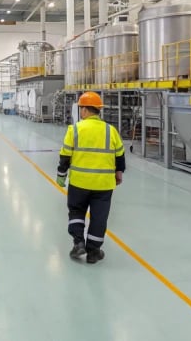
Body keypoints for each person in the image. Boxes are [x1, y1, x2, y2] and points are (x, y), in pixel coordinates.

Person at [56, 92, 126, 264]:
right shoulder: (111, 131)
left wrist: (61, 176)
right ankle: (94, 251)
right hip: (103, 185)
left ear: (86, 110)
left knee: (77, 211)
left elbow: (65, 155)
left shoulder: (75, 129)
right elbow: (120, 156)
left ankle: (78, 242)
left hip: (79, 182)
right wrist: (119, 173)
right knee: (99, 217)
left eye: (81, 109)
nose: (81, 112)